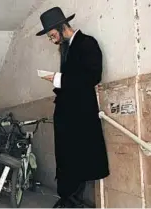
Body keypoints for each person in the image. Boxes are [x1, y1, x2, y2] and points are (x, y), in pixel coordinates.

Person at [36, 7, 110, 208]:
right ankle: (68, 199)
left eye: (52, 35)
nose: (52, 40)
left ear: (61, 27)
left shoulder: (87, 43)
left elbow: (93, 76)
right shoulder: (67, 48)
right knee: (68, 159)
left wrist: (57, 78)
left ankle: (73, 201)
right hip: (69, 115)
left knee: (79, 159)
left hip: (80, 115)